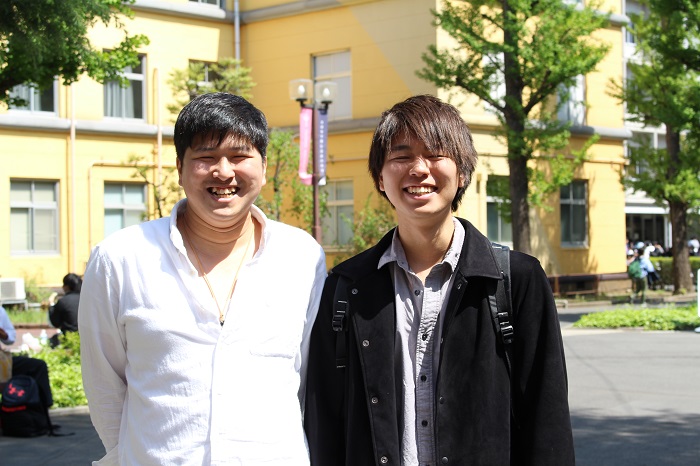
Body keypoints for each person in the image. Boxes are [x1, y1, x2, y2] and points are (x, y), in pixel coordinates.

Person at [304, 95, 574, 465]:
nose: (419, 169)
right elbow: (325, 424)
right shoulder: (345, 287)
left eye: (435, 154)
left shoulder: (515, 280)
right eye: (401, 157)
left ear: (462, 172)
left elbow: (547, 421)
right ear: (380, 177)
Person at [79, 93, 326, 465]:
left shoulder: (301, 257)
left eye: (239, 156)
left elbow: (308, 378)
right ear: (180, 168)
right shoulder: (120, 258)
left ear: (263, 167)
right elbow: (103, 383)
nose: (223, 172)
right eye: (206, 157)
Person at [0, 305, 54, 409]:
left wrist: (4, 335)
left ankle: (40, 411)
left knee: (38, 366)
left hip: (3, 361)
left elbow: (11, 338)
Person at [48, 273, 82, 347]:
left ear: (67, 286)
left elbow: (55, 323)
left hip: (68, 338)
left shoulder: (63, 301)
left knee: (52, 341)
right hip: (85, 337)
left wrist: (51, 305)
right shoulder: (85, 299)